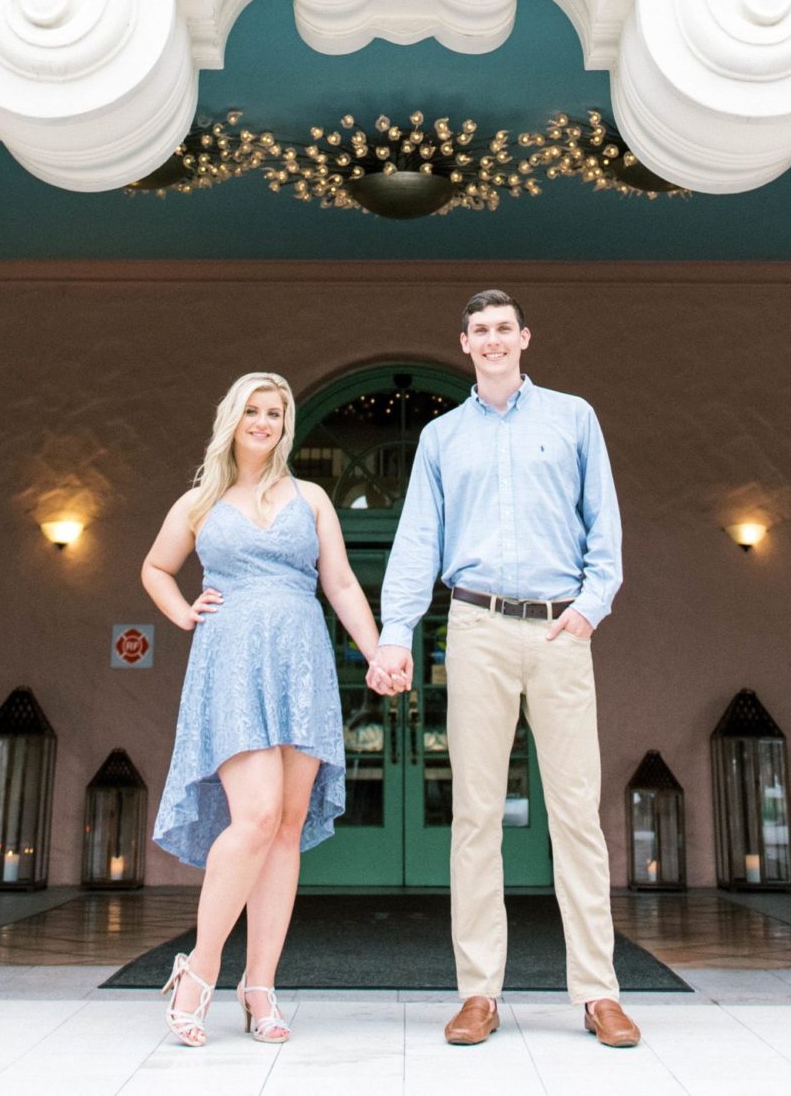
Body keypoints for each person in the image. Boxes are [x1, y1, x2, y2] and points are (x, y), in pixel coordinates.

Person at [374, 291, 640, 1049]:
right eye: (479, 330)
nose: (492, 340)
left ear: (524, 337)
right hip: (476, 624)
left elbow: (605, 523)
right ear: (464, 342)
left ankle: (597, 991)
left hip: (560, 626)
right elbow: (417, 539)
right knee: (476, 814)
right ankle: (478, 991)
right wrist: (397, 632)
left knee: (576, 812)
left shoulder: (573, 416)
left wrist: (591, 605)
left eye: (503, 329)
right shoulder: (440, 437)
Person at [144, 371, 390, 1046]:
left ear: (286, 424)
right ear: (233, 417)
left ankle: (260, 986)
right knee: (252, 817)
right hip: (231, 664)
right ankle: (200, 967)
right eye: (253, 409)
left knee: (285, 828)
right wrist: (183, 612)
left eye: (275, 412)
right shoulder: (200, 499)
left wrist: (375, 652)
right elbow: (155, 567)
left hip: (302, 664)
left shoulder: (310, 497)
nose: (264, 421)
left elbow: (339, 581)